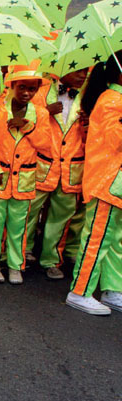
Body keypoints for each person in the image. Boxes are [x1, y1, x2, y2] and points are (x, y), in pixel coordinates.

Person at [0, 64, 53, 285]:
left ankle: (15, 265)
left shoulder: (40, 113)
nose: (26, 93)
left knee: (18, 226)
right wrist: (7, 126)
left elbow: (45, 145)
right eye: (22, 87)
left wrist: (28, 127)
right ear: (12, 85)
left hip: (24, 179)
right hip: (1, 175)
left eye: (32, 89)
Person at [65, 52, 122, 315]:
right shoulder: (111, 100)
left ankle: (113, 289)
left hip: (116, 184)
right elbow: (115, 141)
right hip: (106, 183)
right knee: (97, 239)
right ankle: (80, 291)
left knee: (116, 242)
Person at [25, 68, 89, 279]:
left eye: (86, 72)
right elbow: (23, 118)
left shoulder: (88, 96)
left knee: (61, 218)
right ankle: (22, 253)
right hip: (43, 163)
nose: (83, 75)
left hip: (71, 167)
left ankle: (51, 259)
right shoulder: (41, 91)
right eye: (79, 71)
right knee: (29, 212)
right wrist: (44, 111)